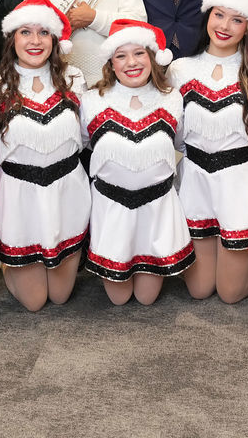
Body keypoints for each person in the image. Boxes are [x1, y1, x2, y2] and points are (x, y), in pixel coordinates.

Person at [167, 0, 248, 303]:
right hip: (196, 180)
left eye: (237, 19)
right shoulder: (180, 69)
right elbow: (177, 134)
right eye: (219, 15)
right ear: (207, 16)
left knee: (229, 293)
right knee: (200, 290)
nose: (225, 26)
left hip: (240, 182)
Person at [0, 0, 90, 311]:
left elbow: (86, 135)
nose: (35, 41)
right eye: (25, 32)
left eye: (44, 32)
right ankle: (8, 256)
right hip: (20, 197)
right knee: (34, 302)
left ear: (56, 39)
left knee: (60, 296)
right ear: (12, 37)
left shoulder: (74, 79)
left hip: (66, 192)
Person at [81, 20, 194, 305]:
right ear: (111, 63)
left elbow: (181, 143)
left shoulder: (172, 99)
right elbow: (78, 143)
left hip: (156, 208)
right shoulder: (92, 100)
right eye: (121, 55)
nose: (131, 62)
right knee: (118, 299)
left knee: (146, 298)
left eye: (139, 53)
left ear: (153, 57)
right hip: (112, 208)